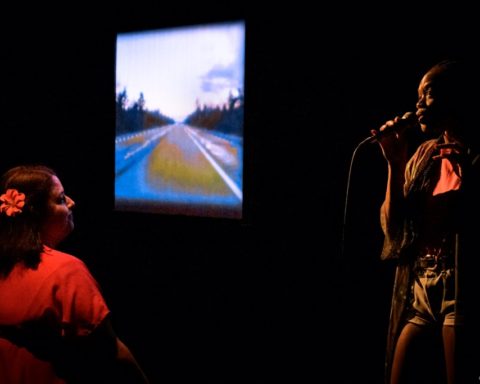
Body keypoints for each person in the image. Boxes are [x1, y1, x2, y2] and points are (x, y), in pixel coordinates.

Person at [372, 59, 480, 384]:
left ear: (455, 97)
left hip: (459, 288)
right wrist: (395, 162)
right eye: (418, 95)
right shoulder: (423, 158)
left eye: (429, 94)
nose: (418, 103)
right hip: (421, 289)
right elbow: (393, 230)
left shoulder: (473, 158)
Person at [0, 165, 150, 384]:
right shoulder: (64, 272)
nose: (71, 203)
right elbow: (111, 353)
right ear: (35, 212)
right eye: (60, 200)